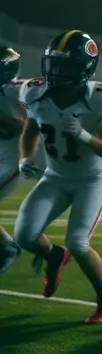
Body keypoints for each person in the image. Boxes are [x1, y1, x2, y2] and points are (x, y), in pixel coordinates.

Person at [11, 32, 102, 323]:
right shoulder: (33, 92)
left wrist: (85, 135)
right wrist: (26, 158)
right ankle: (53, 255)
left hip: (93, 178)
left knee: (78, 242)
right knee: (24, 234)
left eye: (65, 66)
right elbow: (30, 131)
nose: (56, 72)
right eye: (53, 64)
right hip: (56, 175)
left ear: (85, 68)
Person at [0, 48, 24, 275]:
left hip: (11, 162)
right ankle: (7, 247)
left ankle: (8, 247)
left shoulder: (18, 91)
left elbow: (30, 126)